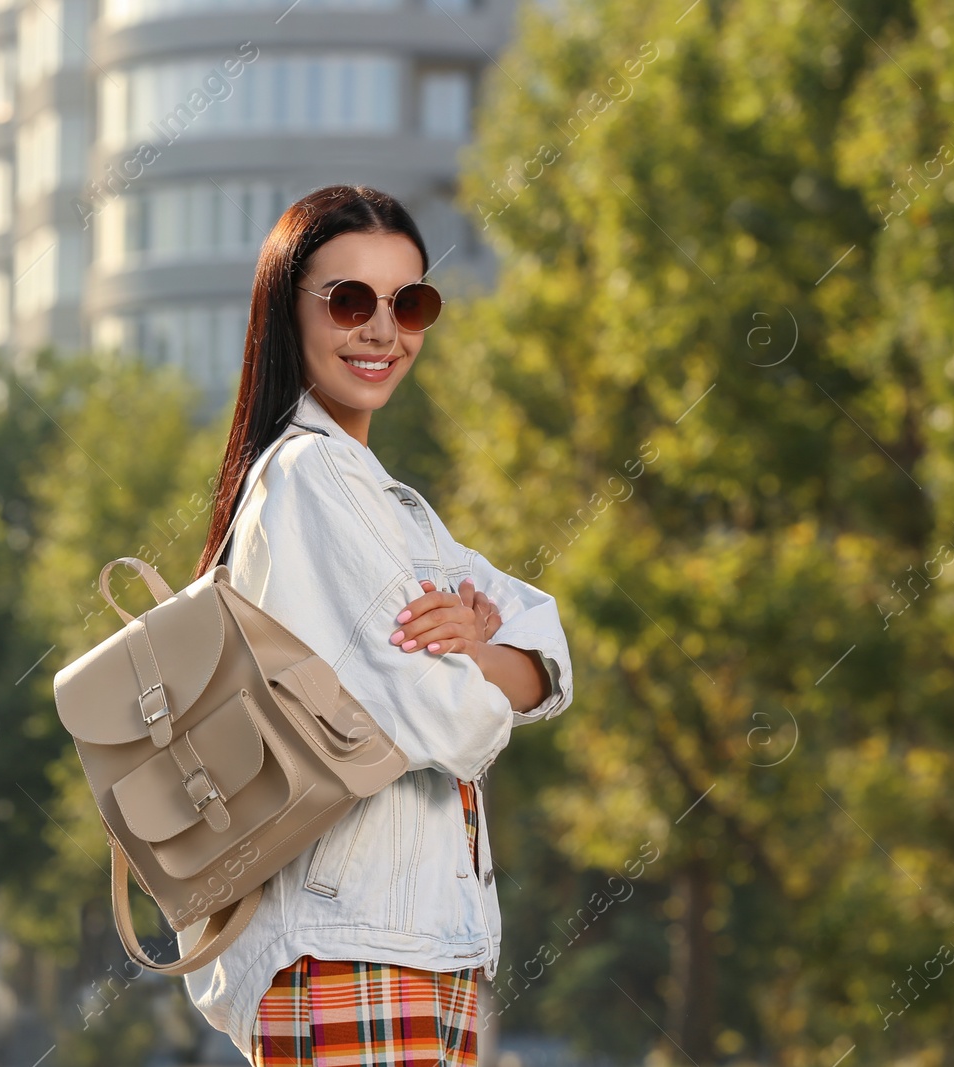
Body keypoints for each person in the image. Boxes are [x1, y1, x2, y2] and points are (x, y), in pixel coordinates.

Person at [181, 185, 574, 1065]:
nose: (382, 331)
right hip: (348, 950)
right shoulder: (312, 478)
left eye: (411, 303)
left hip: (411, 946)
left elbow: (548, 649)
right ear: (289, 311)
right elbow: (457, 722)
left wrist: (473, 648)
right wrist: (484, 669)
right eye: (350, 300)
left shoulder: (394, 507)